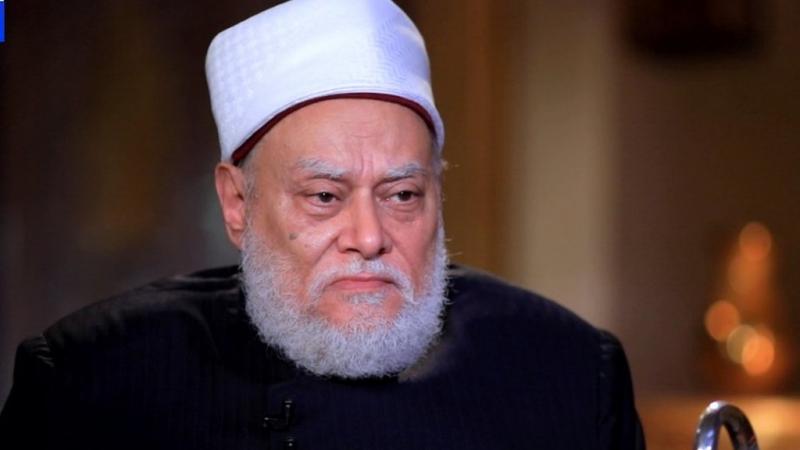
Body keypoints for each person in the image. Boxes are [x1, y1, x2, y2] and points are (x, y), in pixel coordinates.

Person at [0, 0, 645, 449]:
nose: (368, 237)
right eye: (325, 197)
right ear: (237, 203)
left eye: (402, 194)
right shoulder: (90, 379)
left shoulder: (567, 373)